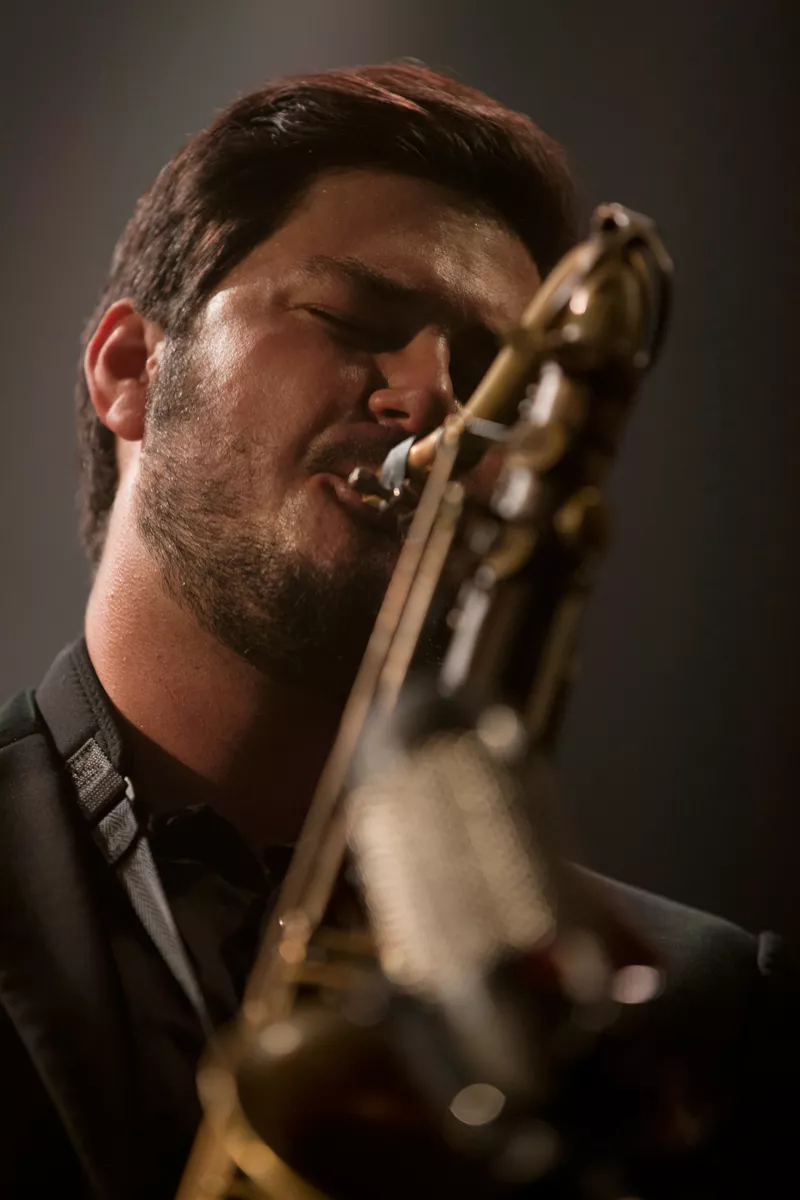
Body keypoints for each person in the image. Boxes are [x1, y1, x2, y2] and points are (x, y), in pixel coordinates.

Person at [0, 63, 794, 1199]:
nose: (434, 403)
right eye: (352, 321)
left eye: (492, 378)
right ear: (131, 369)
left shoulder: (700, 1011)